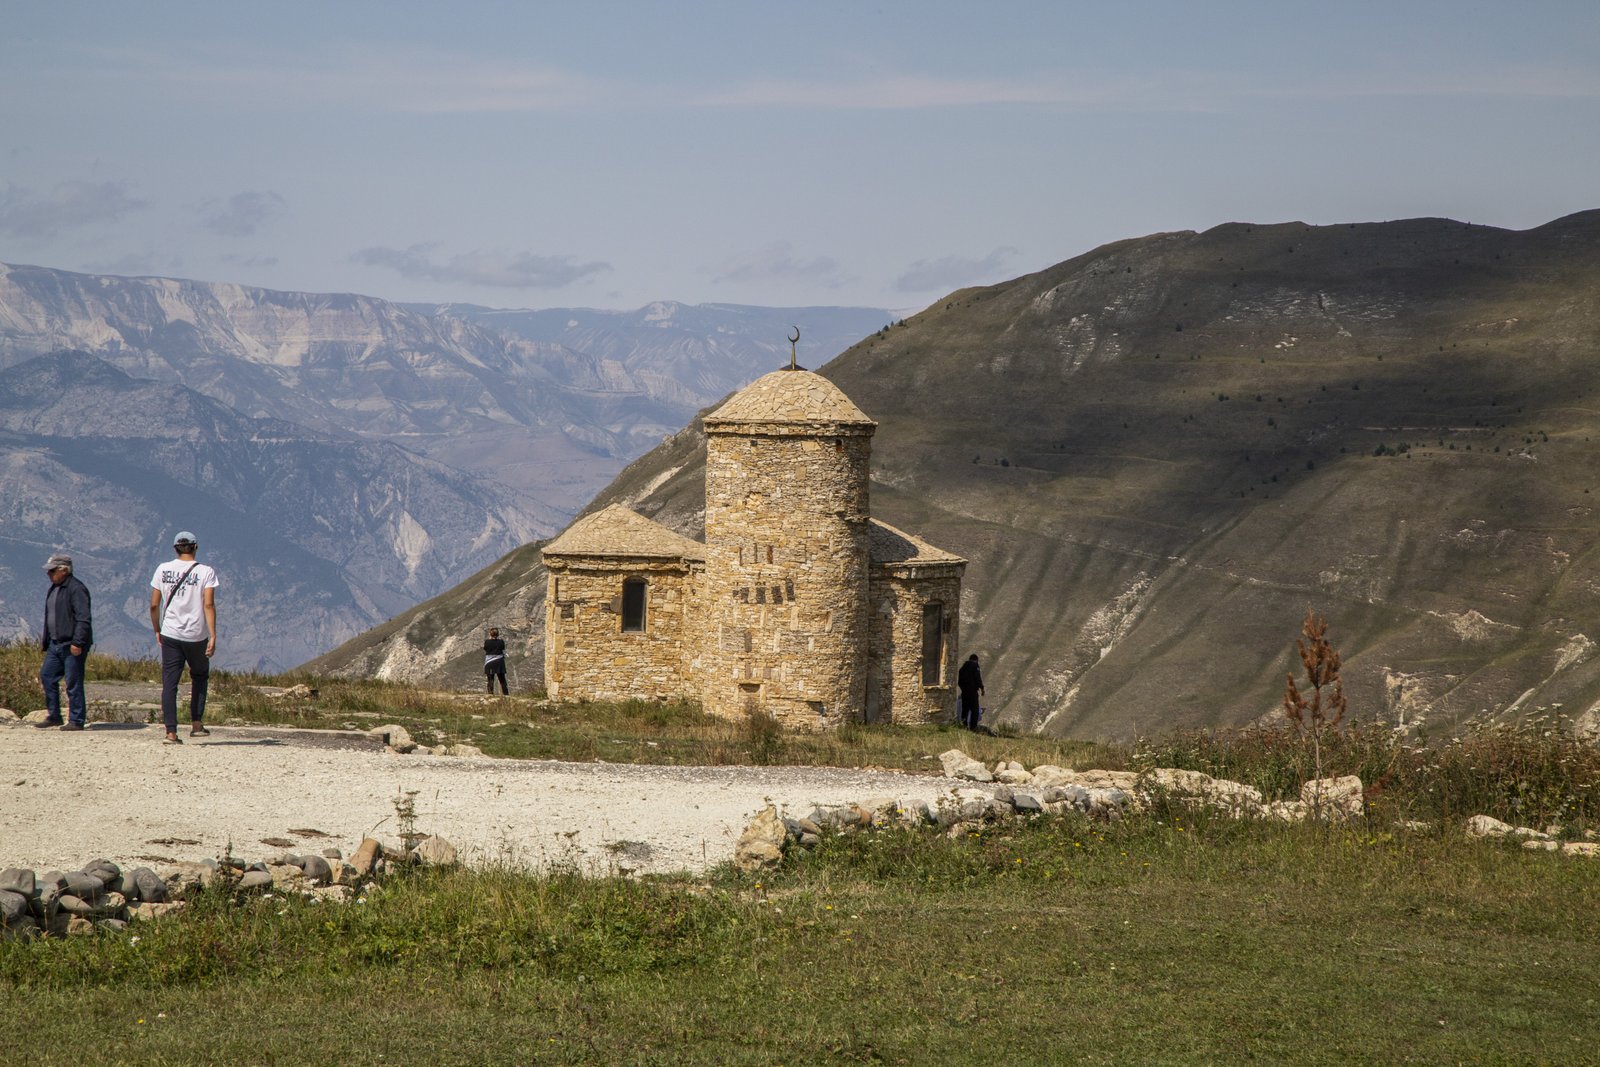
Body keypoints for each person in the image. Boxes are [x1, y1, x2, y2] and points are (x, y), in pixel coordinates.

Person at [149, 531, 219, 745]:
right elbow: (208, 604)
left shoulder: (162, 569)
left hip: (170, 633)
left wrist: (157, 628)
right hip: (196, 634)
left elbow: (154, 604)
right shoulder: (206, 572)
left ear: (175, 548)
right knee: (199, 676)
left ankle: (171, 732)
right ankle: (196, 724)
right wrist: (213, 635)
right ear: (195, 547)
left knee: (170, 682)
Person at [38, 553, 93, 731]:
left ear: (64, 570)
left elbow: (83, 618)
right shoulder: (54, 588)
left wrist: (78, 642)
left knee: (73, 681)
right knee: (47, 675)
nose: (49, 574)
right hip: (55, 643)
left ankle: (76, 720)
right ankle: (54, 715)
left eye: (52, 571)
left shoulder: (76, 589)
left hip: (71, 644)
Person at [958, 653, 985, 731]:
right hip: (972, 692)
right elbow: (978, 678)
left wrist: (964, 689)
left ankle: (964, 725)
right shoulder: (975, 666)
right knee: (975, 709)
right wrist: (982, 688)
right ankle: (973, 727)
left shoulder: (962, 669)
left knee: (965, 709)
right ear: (976, 660)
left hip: (964, 692)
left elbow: (959, 682)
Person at [483, 627, 508, 694]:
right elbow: (503, 648)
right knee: (502, 680)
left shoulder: (487, 642)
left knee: (490, 679)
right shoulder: (501, 642)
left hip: (490, 662)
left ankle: (490, 694)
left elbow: (485, 648)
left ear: (490, 634)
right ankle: (506, 694)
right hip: (499, 662)